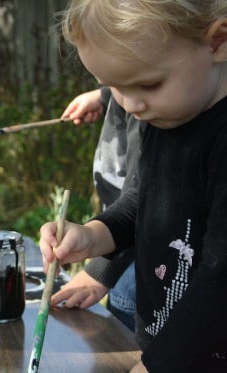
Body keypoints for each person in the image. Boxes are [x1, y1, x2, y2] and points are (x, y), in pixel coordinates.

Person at [40, 1, 227, 371]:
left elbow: (220, 279)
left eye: (147, 84)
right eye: (112, 87)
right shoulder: (162, 116)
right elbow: (142, 201)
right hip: (162, 347)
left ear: (218, 42)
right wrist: (93, 235)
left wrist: (159, 364)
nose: (130, 104)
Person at [54, 86, 141, 332]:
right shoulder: (135, 93)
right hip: (119, 243)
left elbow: (145, 201)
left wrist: (100, 270)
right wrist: (105, 96)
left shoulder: (150, 116)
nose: (131, 106)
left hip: (134, 261)